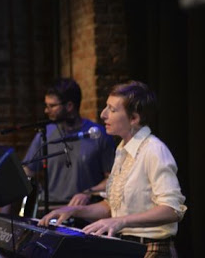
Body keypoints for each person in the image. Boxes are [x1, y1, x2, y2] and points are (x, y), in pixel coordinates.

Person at [38, 80, 187, 258]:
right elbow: (111, 207)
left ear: (134, 118)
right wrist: (73, 211)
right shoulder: (122, 149)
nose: (103, 114)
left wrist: (120, 221)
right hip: (127, 246)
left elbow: (172, 209)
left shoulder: (154, 150)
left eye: (112, 109)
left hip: (151, 248)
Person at [21, 77, 115, 215]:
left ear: (69, 106)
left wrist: (88, 192)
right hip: (50, 209)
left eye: (52, 106)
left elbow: (112, 179)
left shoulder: (98, 134)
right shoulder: (45, 133)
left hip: (85, 211)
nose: (46, 110)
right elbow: (27, 171)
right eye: (46, 105)